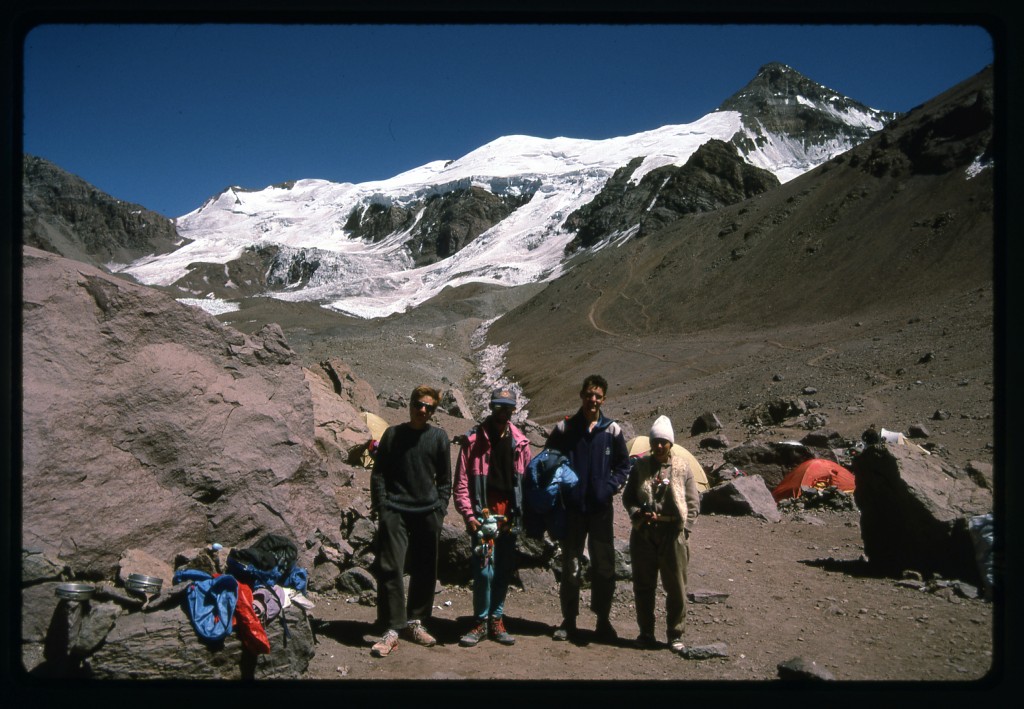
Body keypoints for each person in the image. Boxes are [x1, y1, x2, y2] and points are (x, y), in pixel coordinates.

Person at [545, 374, 631, 643]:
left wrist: (609, 487)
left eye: (597, 395)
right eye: (588, 394)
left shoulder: (612, 430)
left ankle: (602, 620)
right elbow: (549, 460)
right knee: (571, 564)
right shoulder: (565, 428)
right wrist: (562, 485)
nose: (592, 399)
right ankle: (568, 620)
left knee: (604, 566)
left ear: (603, 399)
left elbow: (624, 466)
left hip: (601, 510)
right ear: (581, 395)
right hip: (573, 510)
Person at [368, 384, 452, 657]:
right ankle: (393, 628)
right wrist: (382, 506)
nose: (423, 410)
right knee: (391, 566)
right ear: (411, 404)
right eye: (419, 404)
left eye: (429, 407)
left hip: (427, 512)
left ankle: (415, 622)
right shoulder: (393, 435)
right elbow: (379, 474)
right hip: (396, 510)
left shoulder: (439, 438)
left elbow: (444, 481)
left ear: (433, 411)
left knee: (425, 569)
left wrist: (439, 509)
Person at [453, 387, 533, 647]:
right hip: (482, 516)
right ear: (491, 407)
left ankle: (496, 619)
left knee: (501, 571)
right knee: (483, 571)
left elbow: (525, 485)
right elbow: (462, 483)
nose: (503, 412)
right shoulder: (473, 441)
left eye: (508, 408)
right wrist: (469, 516)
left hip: (508, 517)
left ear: (513, 410)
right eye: (499, 407)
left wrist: (518, 515)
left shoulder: (520, 443)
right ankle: (480, 621)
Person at [622, 415, 700, 654]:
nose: (658, 446)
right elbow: (628, 497)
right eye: (655, 441)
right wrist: (637, 515)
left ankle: (675, 634)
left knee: (676, 586)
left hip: (672, 534)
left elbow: (693, 504)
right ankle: (646, 632)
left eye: (663, 441)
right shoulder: (640, 466)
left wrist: (683, 531)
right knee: (644, 586)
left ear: (670, 444)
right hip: (644, 534)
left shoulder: (682, 468)